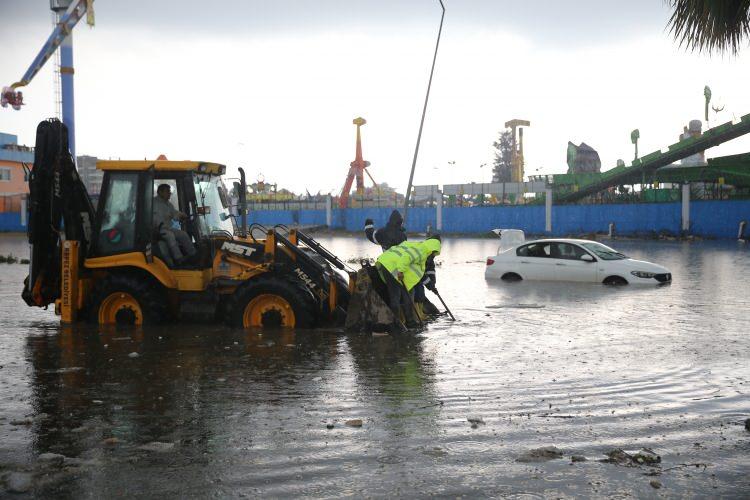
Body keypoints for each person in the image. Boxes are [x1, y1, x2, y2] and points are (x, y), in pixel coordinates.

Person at [364, 211, 440, 318]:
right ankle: (410, 317)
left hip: (386, 264)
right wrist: (431, 284)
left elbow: (371, 236)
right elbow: (411, 261)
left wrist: (368, 224)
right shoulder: (403, 237)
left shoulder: (381, 233)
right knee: (409, 290)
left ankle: (399, 318)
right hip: (399, 267)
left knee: (396, 293)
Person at [376, 236, 441, 328]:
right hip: (391, 267)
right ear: (432, 248)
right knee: (396, 295)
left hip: (394, 266)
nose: (433, 256)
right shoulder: (421, 250)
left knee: (410, 293)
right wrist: (401, 271)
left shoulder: (422, 251)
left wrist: (431, 287)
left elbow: (420, 274)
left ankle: (410, 321)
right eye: (434, 253)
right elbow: (406, 257)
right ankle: (396, 323)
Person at [153, 184, 196, 265]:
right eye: (167, 192)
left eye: (170, 192)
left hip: (167, 228)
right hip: (157, 230)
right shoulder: (153, 203)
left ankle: (193, 254)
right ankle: (179, 259)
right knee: (170, 236)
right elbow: (155, 219)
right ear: (160, 192)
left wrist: (182, 215)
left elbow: (174, 213)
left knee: (183, 234)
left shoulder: (168, 204)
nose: (170, 194)